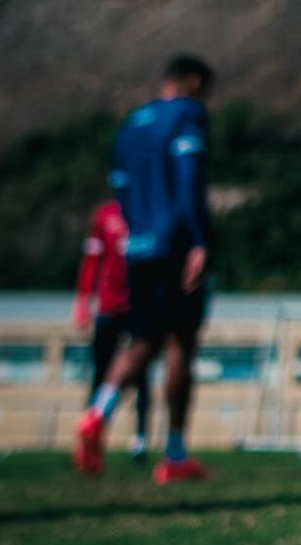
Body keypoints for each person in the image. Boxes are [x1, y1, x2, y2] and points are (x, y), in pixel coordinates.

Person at [74, 54, 215, 483]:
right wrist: (199, 241)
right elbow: (188, 178)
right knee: (181, 346)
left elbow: (121, 190)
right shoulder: (189, 115)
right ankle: (174, 453)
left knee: (141, 341)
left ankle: (97, 413)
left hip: (138, 247)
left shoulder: (131, 126)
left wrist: (139, 235)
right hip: (176, 240)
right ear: (192, 82)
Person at [72, 199, 151, 461]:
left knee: (141, 373)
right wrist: (84, 302)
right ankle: (90, 437)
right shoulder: (104, 215)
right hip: (109, 306)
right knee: (100, 372)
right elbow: (93, 260)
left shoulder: (147, 210)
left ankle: (139, 439)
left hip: (138, 304)